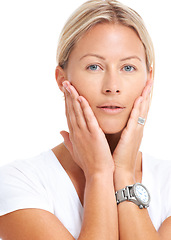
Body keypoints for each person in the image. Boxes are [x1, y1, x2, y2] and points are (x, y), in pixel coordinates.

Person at [0, 0, 171, 239]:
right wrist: (99, 174)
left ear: (149, 78)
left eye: (128, 68)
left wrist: (122, 174)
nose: (112, 87)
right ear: (62, 80)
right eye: (94, 66)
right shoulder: (19, 181)